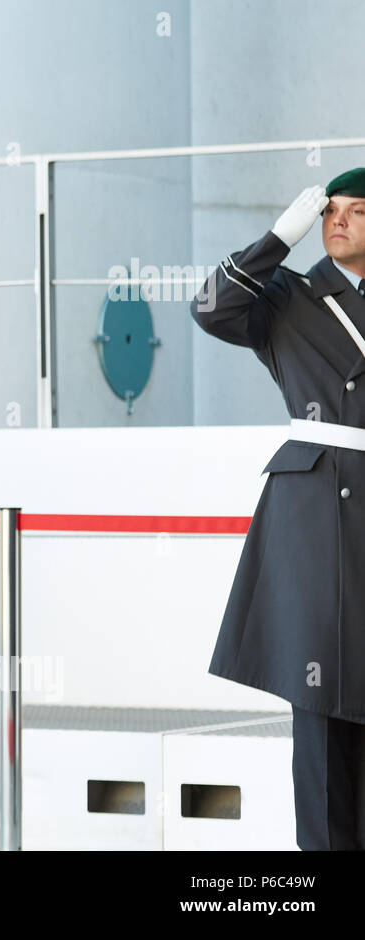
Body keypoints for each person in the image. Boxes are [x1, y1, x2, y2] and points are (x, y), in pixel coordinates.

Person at [192, 168, 365, 850]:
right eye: (330, 212)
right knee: (320, 702)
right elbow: (211, 308)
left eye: (357, 210)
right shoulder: (289, 295)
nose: (338, 220)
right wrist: (275, 239)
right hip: (316, 520)